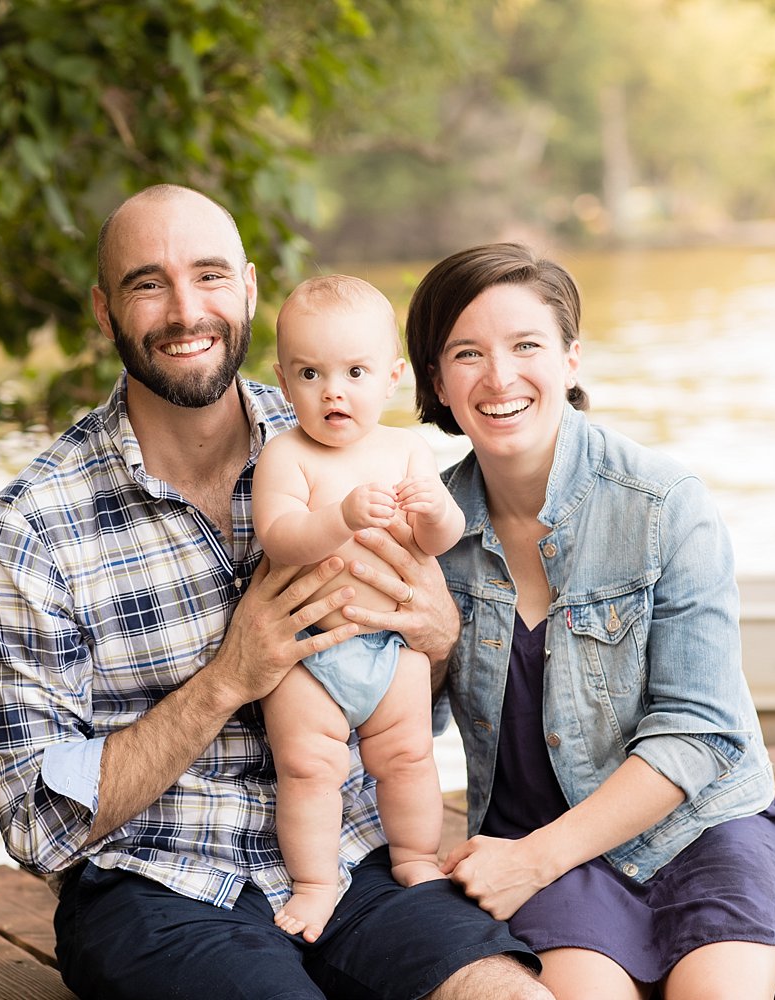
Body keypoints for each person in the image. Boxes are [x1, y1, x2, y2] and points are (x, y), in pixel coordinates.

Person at [0, 186, 547, 1000]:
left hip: (357, 854)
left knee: (507, 994)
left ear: (250, 290)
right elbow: (36, 824)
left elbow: (420, 710)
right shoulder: (30, 530)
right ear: (104, 311)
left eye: (209, 276)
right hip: (160, 887)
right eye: (147, 283)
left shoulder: (357, 439)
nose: (186, 309)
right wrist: (229, 677)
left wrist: (439, 636)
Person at [402, 243, 775, 1000]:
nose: (499, 377)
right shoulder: (424, 529)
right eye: (468, 353)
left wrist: (535, 859)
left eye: (526, 345)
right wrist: (434, 644)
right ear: (436, 380)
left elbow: (700, 729)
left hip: (703, 831)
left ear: (571, 359)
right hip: (536, 839)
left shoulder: (666, 504)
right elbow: (403, 723)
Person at [253, 274, 464, 942]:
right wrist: (337, 517)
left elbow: (438, 541)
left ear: (393, 377)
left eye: (354, 371)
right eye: (310, 373)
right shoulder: (285, 455)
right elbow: (279, 538)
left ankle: (414, 856)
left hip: (388, 643)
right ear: (284, 384)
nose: (332, 391)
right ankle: (315, 882)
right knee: (309, 768)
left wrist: (436, 514)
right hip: (311, 649)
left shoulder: (406, 449)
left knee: (407, 758)